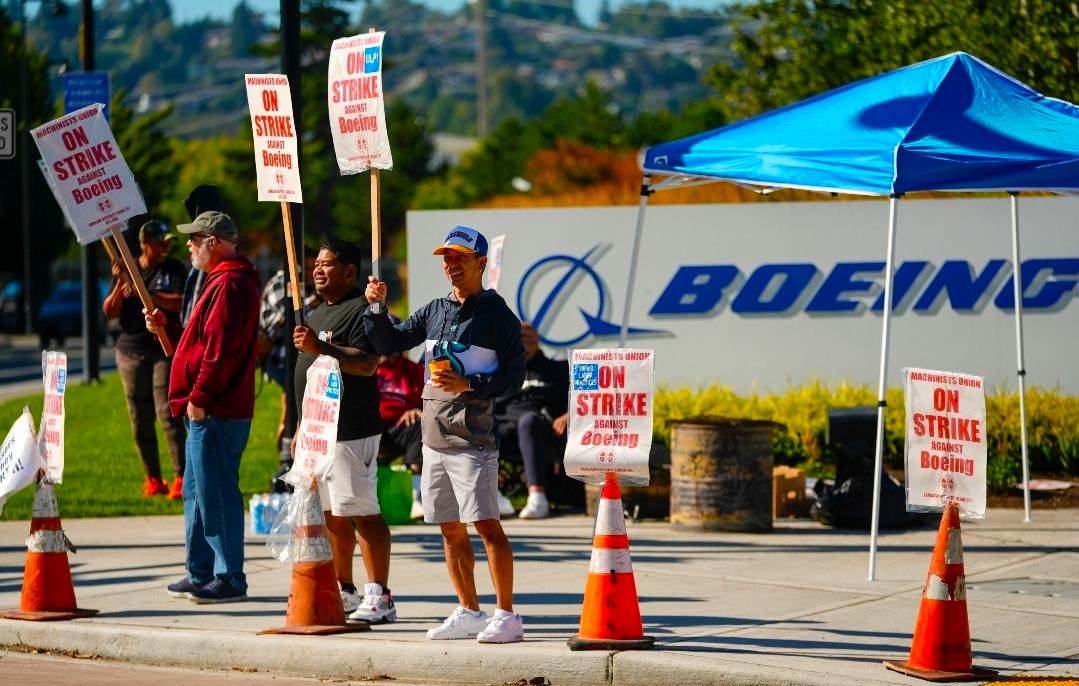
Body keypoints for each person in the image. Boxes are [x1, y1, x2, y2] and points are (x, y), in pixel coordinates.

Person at [363, 225, 527, 644]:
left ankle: (506, 615)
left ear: (480, 263)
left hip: (473, 438)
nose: (451, 264)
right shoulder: (435, 309)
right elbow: (392, 342)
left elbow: (515, 376)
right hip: (433, 438)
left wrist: (470, 385)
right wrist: (378, 309)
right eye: (446, 258)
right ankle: (468, 609)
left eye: (460, 257)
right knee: (449, 528)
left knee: (487, 525)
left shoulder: (498, 315)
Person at [145, 211, 261, 604]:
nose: (189, 246)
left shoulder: (229, 284)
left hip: (216, 410)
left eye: (194, 239)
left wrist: (199, 398)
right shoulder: (223, 281)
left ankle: (229, 578)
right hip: (213, 408)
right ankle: (201, 572)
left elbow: (219, 354)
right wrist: (168, 326)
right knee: (197, 495)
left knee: (217, 495)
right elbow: (201, 342)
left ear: (213, 241)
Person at [292, 239, 395, 624]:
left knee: (362, 512)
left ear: (350, 271)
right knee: (334, 515)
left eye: (327, 264)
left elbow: (368, 364)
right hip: (319, 432)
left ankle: (379, 594)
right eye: (315, 264)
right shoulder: (316, 313)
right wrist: (300, 426)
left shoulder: (362, 312)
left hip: (352, 429)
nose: (317, 270)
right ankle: (345, 590)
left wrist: (321, 347)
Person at [102, 219, 188, 498]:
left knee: (169, 413)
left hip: (163, 349)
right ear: (144, 245)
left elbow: (180, 301)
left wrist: (144, 291)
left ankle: (180, 477)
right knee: (139, 418)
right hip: (130, 351)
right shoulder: (127, 269)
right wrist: (119, 285)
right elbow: (110, 312)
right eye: (159, 242)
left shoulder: (173, 269)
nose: (165, 247)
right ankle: (153, 478)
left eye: (167, 243)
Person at [494, 321, 569, 519]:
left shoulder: (556, 369)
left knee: (528, 421)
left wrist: (570, 414)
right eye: (518, 337)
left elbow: (582, 398)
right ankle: (492, 495)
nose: (522, 342)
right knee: (480, 424)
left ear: (537, 341)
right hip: (504, 428)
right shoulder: (500, 370)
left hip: (540, 428)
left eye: (527, 337)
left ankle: (537, 496)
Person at [374, 317, 425, 520]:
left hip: (401, 428)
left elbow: (428, 402)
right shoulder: (367, 367)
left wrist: (416, 410)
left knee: (421, 423)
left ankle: (416, 499)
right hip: (373, 428)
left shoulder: (414, 370)